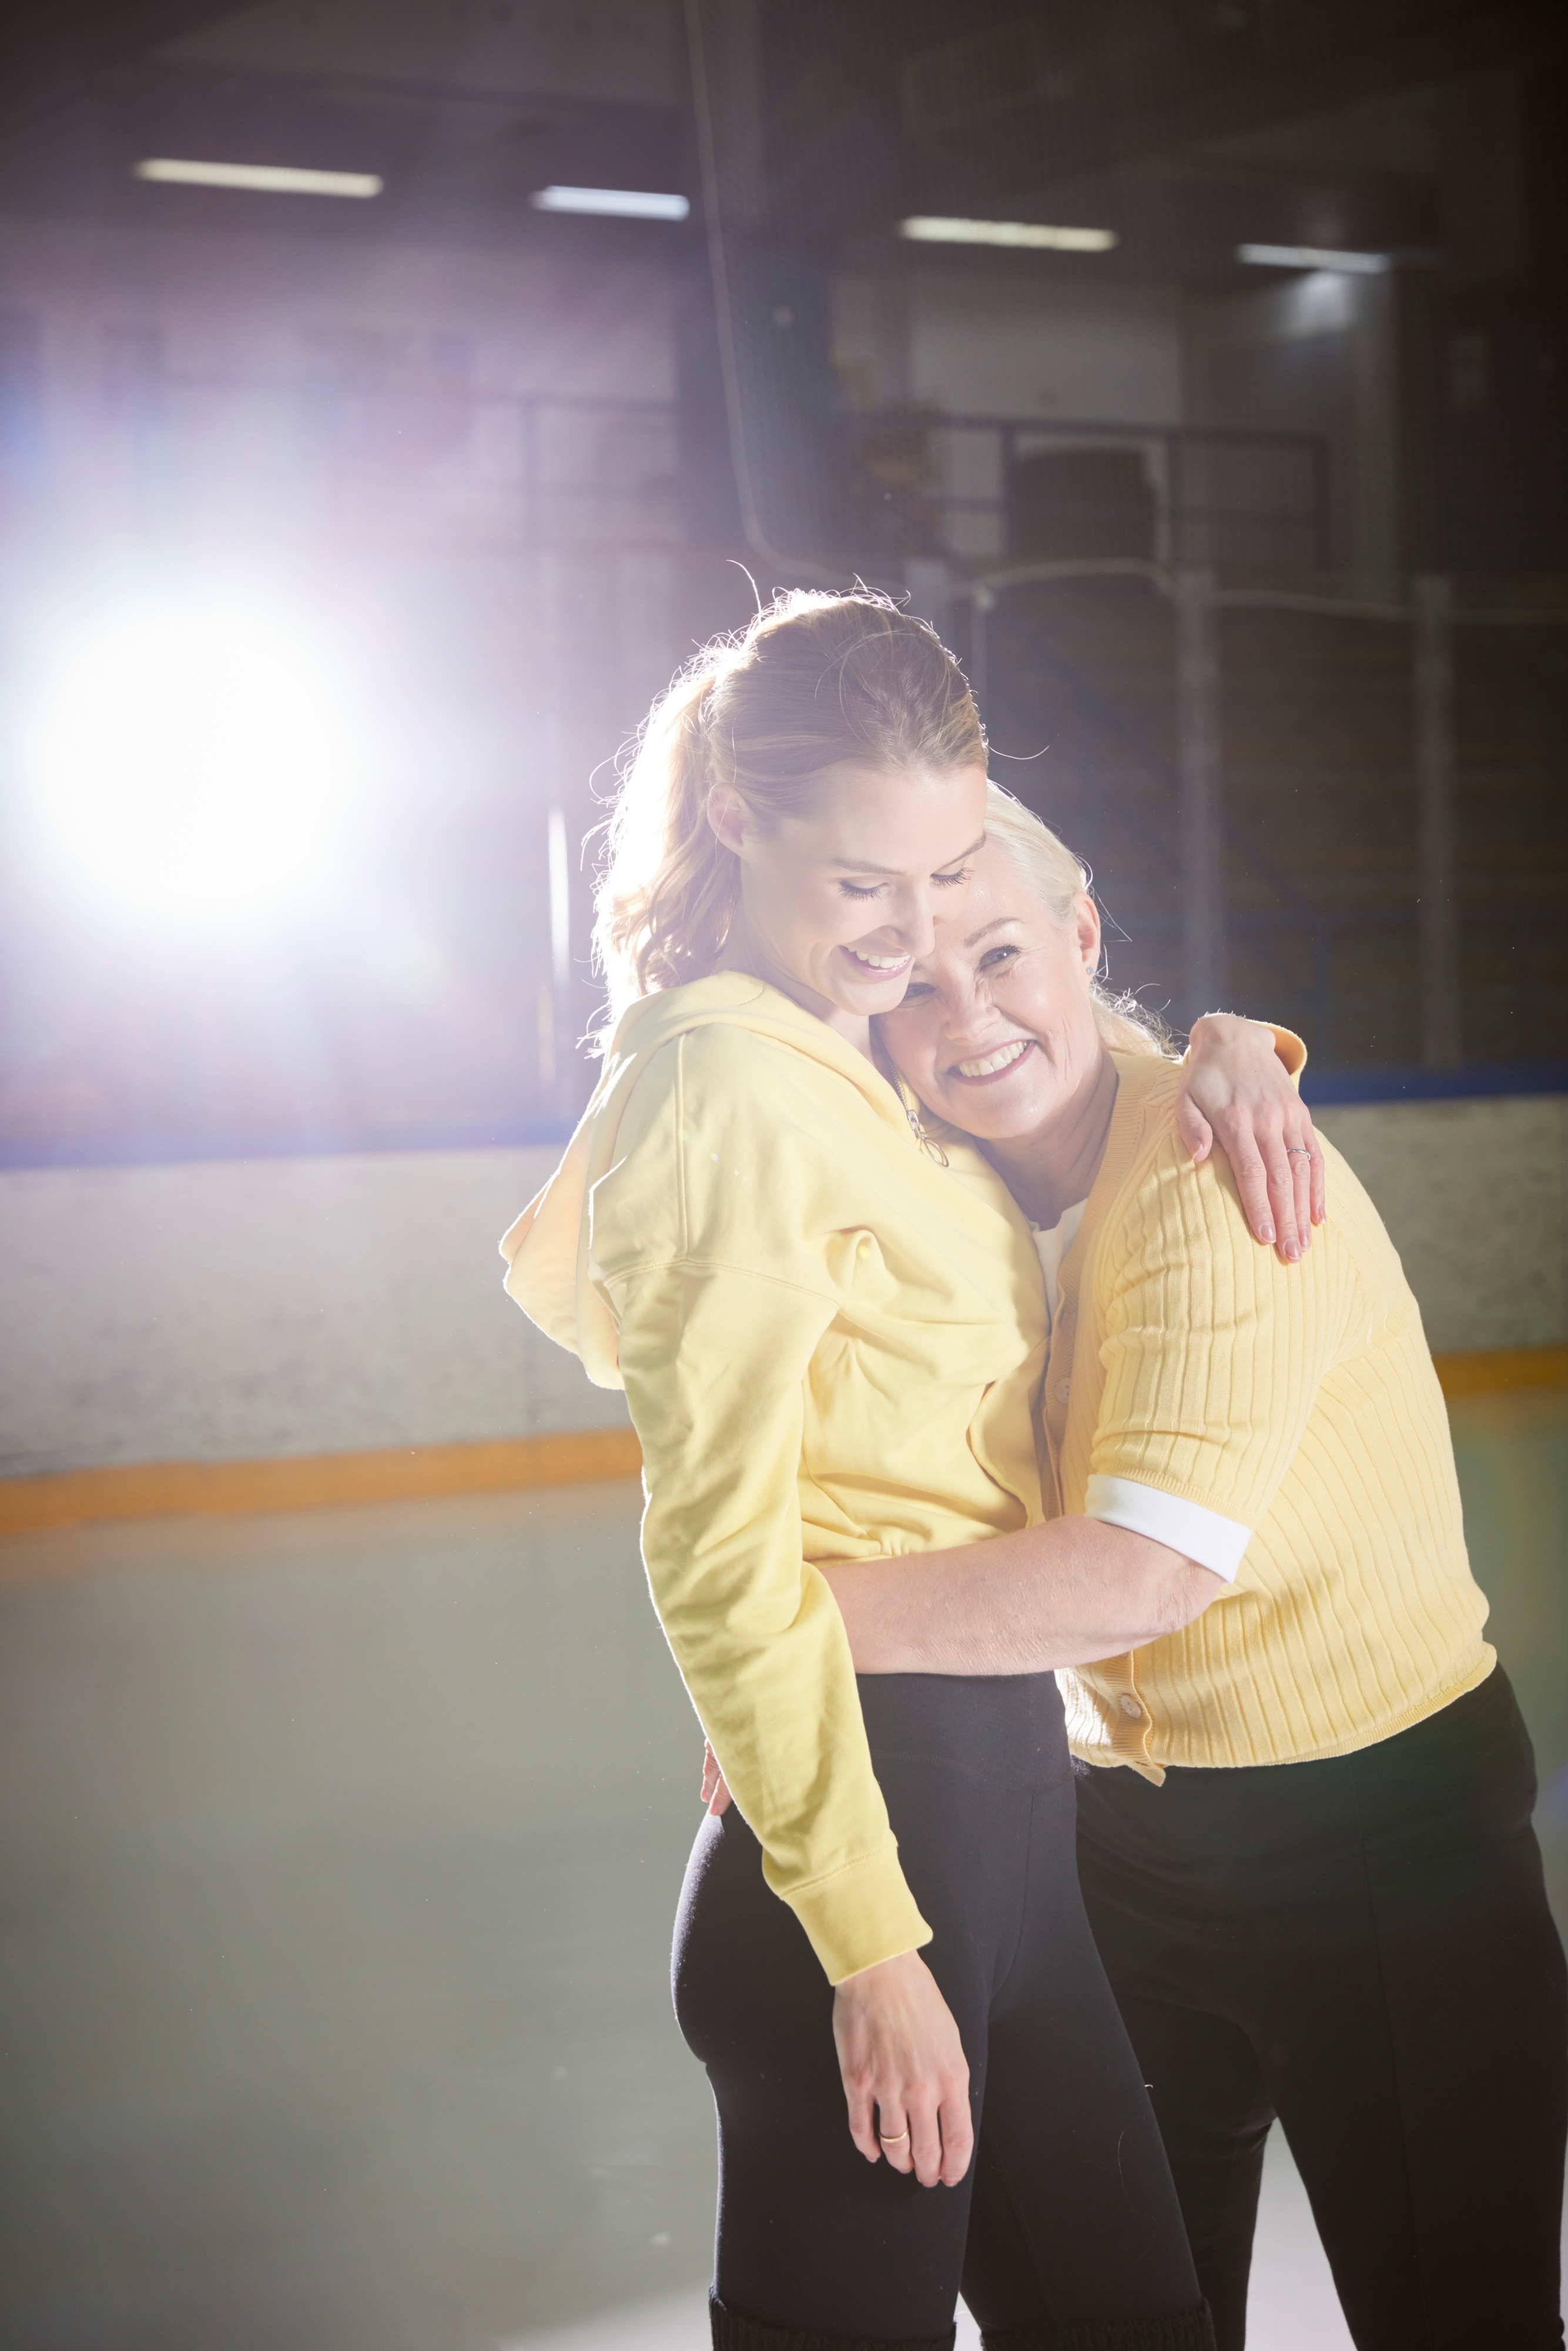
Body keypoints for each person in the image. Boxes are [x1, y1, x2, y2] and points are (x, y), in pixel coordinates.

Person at [501, 591, 1316, 2351]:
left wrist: (1229, 1044)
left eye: (946, 874)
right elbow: (716, 1558)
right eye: (865, 882)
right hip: (869, 1873)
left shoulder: (847, 1053)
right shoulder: (728, 1086)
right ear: (736, 814)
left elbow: (1046, 1046)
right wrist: (871, 1955)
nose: (911, 927)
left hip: (1003, 1825)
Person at [813, 786, 1568, 2351]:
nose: (970, 1016)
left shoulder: (1219, 1168)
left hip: (1382, 1851)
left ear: (1083, 940)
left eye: (1006, 954)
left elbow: (1143, 1576)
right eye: (913, 988)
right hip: (1115, 1852)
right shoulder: (936, 1202)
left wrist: (770, 1634)